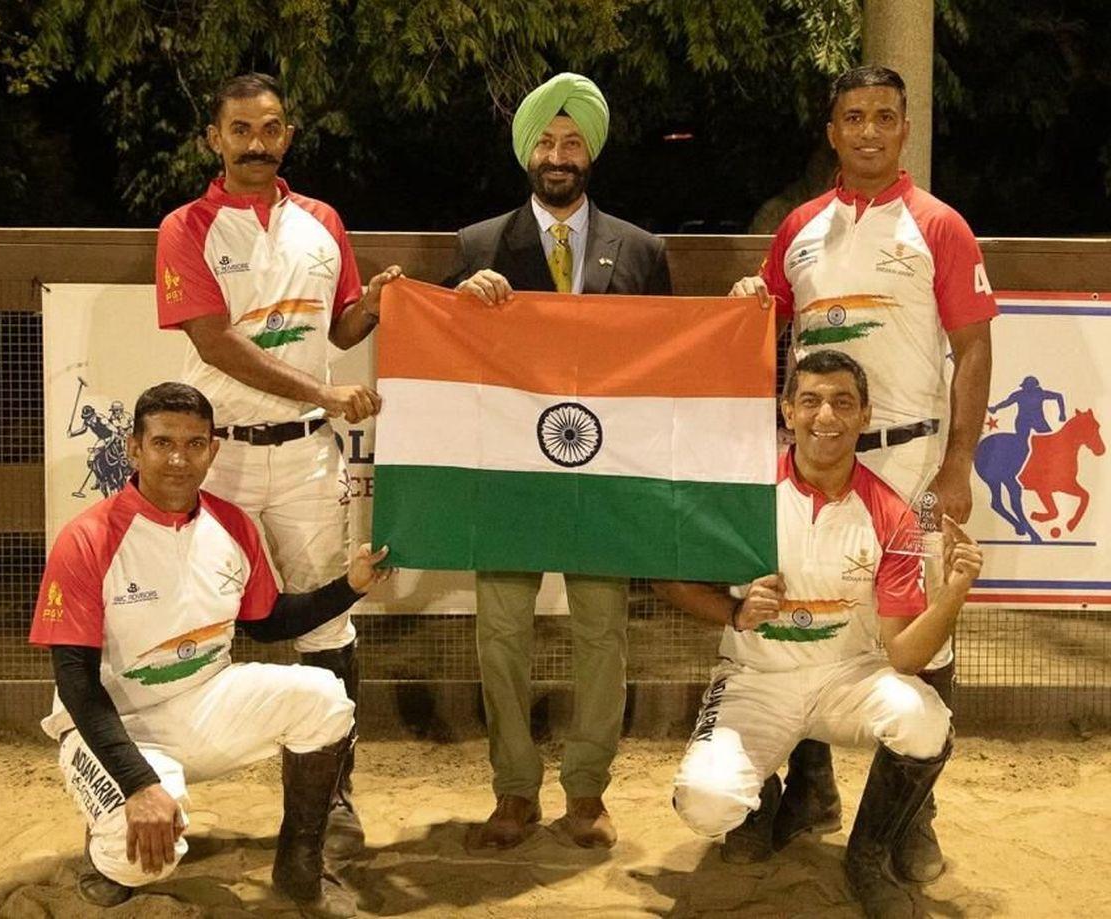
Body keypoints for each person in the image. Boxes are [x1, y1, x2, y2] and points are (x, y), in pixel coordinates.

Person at [729, 65, 997, 879]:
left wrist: (958, 460)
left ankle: (914, 816)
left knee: (922, 629)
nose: (870, 130)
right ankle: (808, 788)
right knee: (812, 611)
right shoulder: (800, 227)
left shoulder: (940, 226)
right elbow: (764, 314)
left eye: (886, 116)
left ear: (904, 128)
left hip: (911, 457)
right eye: (855, 117)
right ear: (833, 131)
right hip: (816, 453)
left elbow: (976, 345)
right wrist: (750, 292)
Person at [154, 72, 401, 857]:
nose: (256, 142)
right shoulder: (184, 227)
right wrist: (326, 392)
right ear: (214, 140)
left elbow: (341, 323)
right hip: (215, 456)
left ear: (288, 135)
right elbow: (214, 342)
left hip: (304, 457)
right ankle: (160, 779)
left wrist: (383, 302)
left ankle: (333, 795)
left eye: (270, 128)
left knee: (327, 619)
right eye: (240, 129)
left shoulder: (323, 221)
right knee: (182, 614)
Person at [29, 383, 389, 918]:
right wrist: (139, 783)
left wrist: (351, 587)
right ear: (134, 448)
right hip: (113, 725)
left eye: (195, 444)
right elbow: (75, 681)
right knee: (145, 860)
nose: (179, 458)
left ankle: (299, 864)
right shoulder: (86, 539)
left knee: (324, 696)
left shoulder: (233, 524)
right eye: (163, 443)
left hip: (204, 701)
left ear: (213, 450)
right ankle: (103, 843)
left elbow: (267, 623)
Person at [656, 351, 982, 919]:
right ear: (787, 411)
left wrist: (952, 592)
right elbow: (666, 578)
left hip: (846, 677)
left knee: (926, 722)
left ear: (864, 416)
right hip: (756, 679)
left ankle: (868, 855)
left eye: (842, 402)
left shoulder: (892, 514)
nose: (825, 415)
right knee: (705, 806)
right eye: (809, 401)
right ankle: (761, 802)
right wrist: (733, 612)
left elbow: (904, 654)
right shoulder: (746, 489)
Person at [449, 72, 672, 850]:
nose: (557, 153)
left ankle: (586, 790)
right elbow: (451, 367)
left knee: (603, 633)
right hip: (510, 479)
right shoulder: (477, 247)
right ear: (526, 151)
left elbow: (670, 367)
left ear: (592, 153)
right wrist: (456, 304)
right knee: (500, 633)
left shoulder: (641, 252)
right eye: (545, 139)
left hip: (602, 478)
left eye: (572, 141)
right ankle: (513, 790)